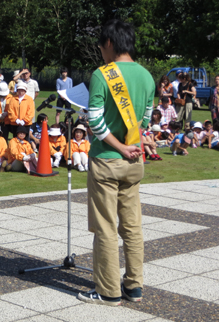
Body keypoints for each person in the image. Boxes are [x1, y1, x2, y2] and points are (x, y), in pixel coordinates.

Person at [78, 19, 155, 306]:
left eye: (100, 46)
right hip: (134, 161)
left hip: (107, 160)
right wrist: (131, 146)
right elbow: (144, 121)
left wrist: (120, 146)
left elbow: (96, 121)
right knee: (132, 227)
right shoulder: (147, 77)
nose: (100, 52)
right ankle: (134, 286)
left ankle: (108, 291)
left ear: (109, 44)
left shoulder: (102, 74)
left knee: (106, 227)